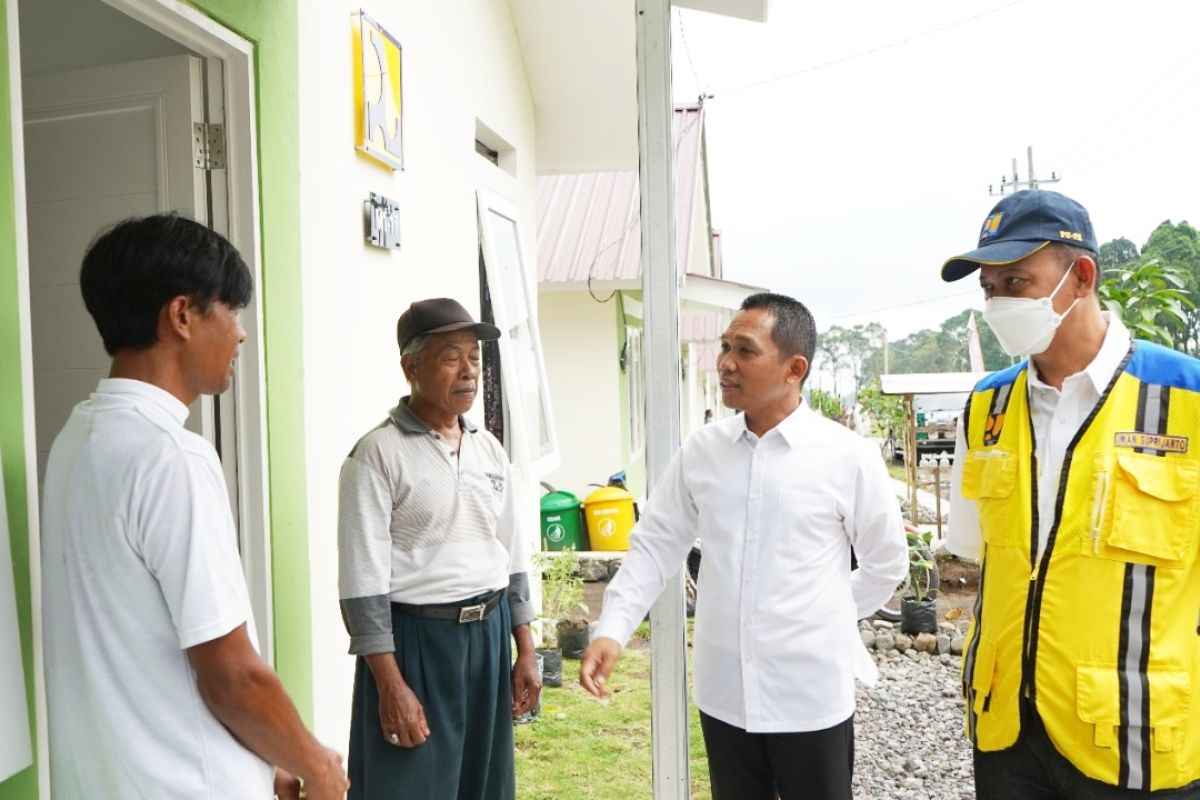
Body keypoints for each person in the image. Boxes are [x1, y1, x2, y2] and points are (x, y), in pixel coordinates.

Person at [41, 215, 349, 799]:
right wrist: (318, 766)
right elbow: (233, 676)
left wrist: (269, 762)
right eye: (231, 309)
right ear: (182, 315)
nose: (241, 334)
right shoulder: (171, 457)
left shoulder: (76, 441)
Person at [580, 292, 908, 800]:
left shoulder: (848, 457)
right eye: (725, 346)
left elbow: (886, 563)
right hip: (725, 696)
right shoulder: (702, 452)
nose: (726, 364)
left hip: (809, 696)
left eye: (745, 351)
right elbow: (655, 546)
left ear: (794, 368)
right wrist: (613, 628)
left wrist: (826, 620)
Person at [943, 189, 1200, 797]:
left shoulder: (1186, 399)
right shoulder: (987, 407)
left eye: (1016, 281)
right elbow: (981, 555)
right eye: (989, 289)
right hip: (1008, 735)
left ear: (1080, 276)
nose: (999, 302)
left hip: (1138, 740)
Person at [338, 298, 540, 800]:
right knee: (410, 786)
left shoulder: (489, 448)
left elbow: (510, 556)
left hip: (489, 636)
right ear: (411, 367)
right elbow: (362, 585)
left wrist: (526, 649)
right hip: (416, 642)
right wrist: (390, 684)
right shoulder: (376, 455)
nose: (469, 371)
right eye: (452, 357)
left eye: (475, 357)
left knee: (484, 784)